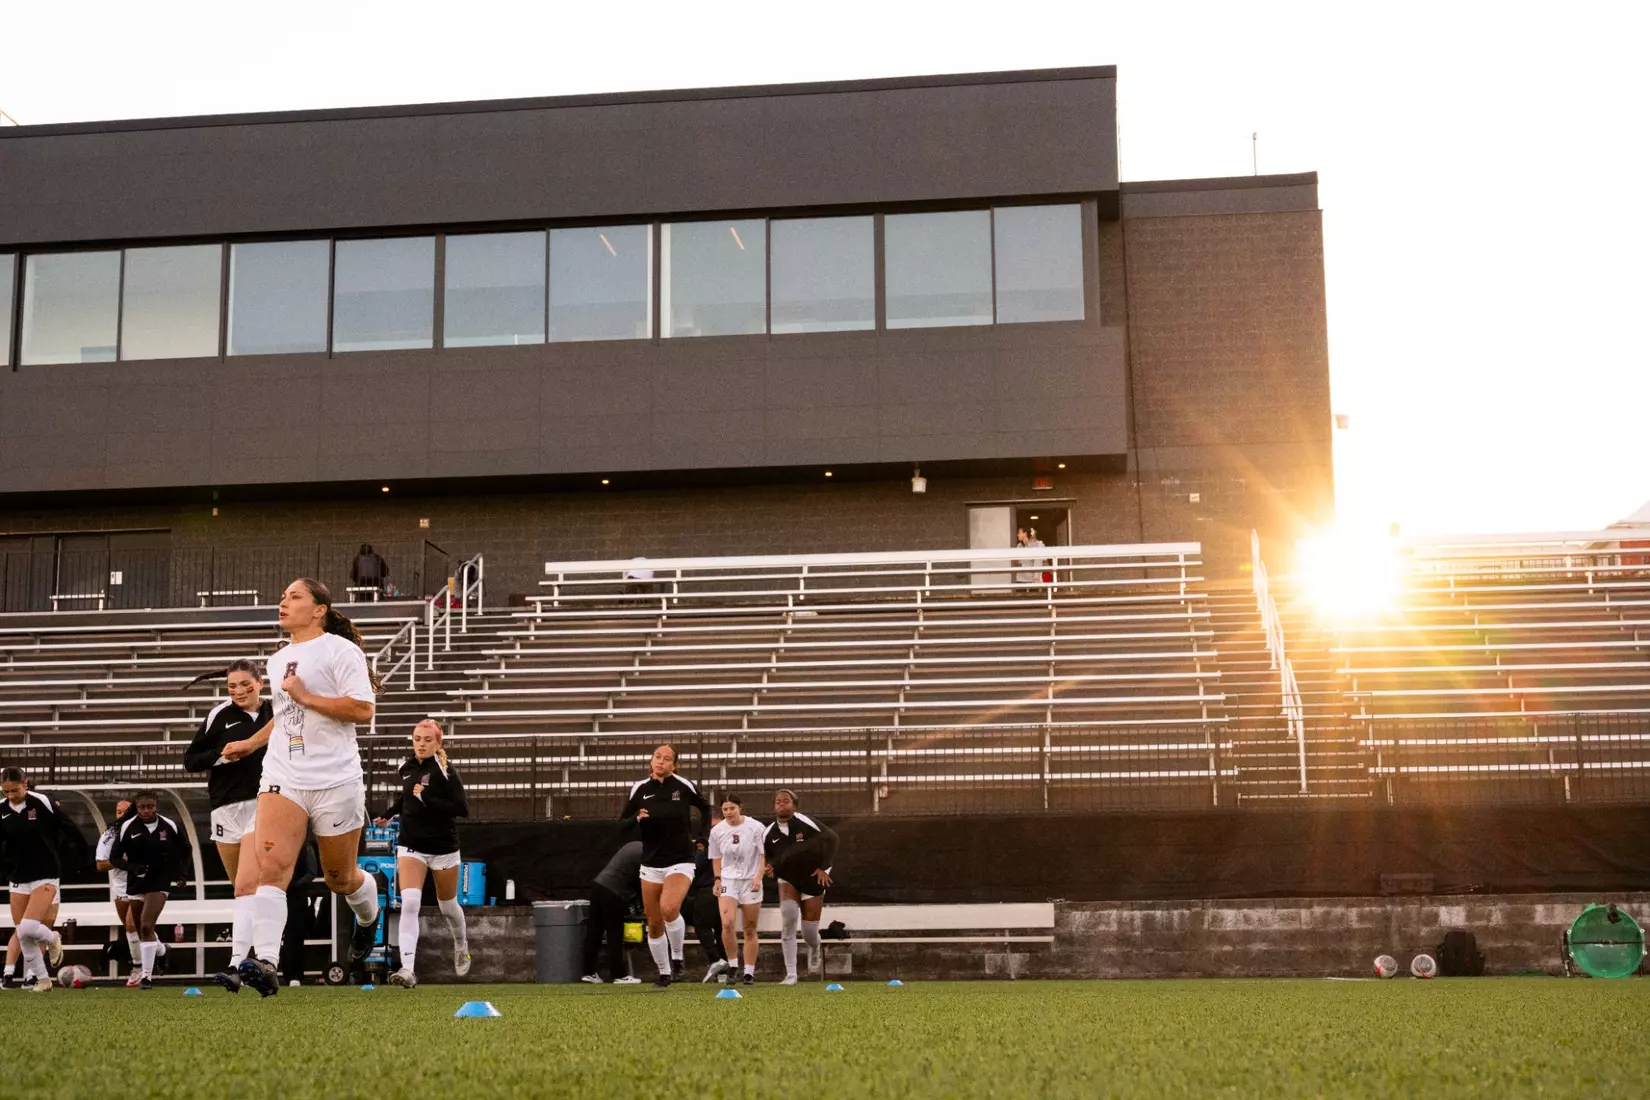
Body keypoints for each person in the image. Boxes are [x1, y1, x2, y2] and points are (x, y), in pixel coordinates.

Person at [217, 577, 384, 998]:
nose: (284, 602)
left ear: (319, 610)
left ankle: (368, 918)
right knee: (272, 870)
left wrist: (308, 697)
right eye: (283, 596)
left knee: (340, 879)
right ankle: (266, 962)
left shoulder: (341, 650)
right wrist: (253, 743)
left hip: (336, 778)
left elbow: (363, 709)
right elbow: (285, 713)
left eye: (294, 596)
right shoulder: (278, 659)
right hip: (283, 775)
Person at [182, 659, 270, 992]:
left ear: (260, 683)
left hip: (263, 804)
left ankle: (238, 964)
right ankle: (261, 957)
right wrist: (222, 754)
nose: (239, 691)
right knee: (244, 890)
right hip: (225, 809)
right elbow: (191, 760)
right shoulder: (219, 715)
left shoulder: (276, 713)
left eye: (246, 684)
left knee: (247, 886)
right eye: (232, 686)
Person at [373, 719, 472, 989]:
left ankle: (461, 943)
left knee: (448, 907)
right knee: (410, 903)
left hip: (443, 848)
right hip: (411, 845)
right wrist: (388, 814)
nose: (421, 744)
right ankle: (408, 969)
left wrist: (426, 798)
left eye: (428, 740)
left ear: (438, 743)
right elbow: (407, 797)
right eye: (417, 739)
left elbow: (462, 809)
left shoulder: (446, 770)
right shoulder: (407, 767)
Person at [618, 745, 711, 987]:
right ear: (651, 761)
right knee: (654, 922)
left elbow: (705, 807)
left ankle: (677, 957)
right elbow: (621, 825)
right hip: (650, 863)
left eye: (666, 758)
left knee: (669, 908)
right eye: (657, 757)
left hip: (680, 859)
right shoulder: (639, 789)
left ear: (674, 765)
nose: (660, 761)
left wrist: (703, 836)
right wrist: (637, 817)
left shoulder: (684, 786)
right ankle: (664, 973)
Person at [109, 791, 193, 990]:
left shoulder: (169, 826)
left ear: (157, 806)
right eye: (142, 807)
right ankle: (162, 951)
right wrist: (132, 867)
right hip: (136, 882)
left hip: (160, 880)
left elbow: (186, 849)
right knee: (140, 929)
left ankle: (146, 977)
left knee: (147, 925)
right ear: (136, 808)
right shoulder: (128, 827)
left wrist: (182, 874)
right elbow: (114, 858)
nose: (146, 811)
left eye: (150, 807)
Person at [0, 768, 70, 992]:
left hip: (45, 873)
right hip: (18, 876)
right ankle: (42, 980)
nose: (10, 795)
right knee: (22, 932)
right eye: (5, 792)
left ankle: (53, 937)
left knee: (31, 926)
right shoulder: (2, 809)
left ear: (25, 784)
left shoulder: (42, 803)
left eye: (14, 790)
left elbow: (66, 829)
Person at [764, 789, 838, 986]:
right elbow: (767, 857)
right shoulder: (769, 832)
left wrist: (824, 868)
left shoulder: (806, 823)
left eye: (786, 801)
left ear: (794, 805)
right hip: (788, 879)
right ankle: (791, 974)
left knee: (809, 932)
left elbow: (832, 838)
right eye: (778, 802)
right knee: (788, 917)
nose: (781, 804)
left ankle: (814, 948)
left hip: (812, 879)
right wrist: (769, 867)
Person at [709, 794, 766, 985]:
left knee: (750, 927)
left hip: (750, 880)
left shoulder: (756, 827)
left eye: (732, 808)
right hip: (728, 880)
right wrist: (717, 879)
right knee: (727, 923)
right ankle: (733, 966)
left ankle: (749, 972)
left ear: (740, 807)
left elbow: (763, 855)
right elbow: (716, 857)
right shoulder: (717, 831)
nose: (728, 812)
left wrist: (758, 877)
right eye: (725, 809)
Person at [93, 798, 148, 987]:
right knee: (135, 929)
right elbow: (100, 865)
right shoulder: (109, 835)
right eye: (119, 812)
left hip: (142, 884)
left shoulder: (145, 830)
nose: (122, 815)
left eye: (126, 811)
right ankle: (162, 951)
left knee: (132, 926)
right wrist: (120, 860)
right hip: (120, 887)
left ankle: (138, 969)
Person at [581, 838, 643, 984]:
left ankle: (588, 972)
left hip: (598, 886)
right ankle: (619, 974)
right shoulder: (645, 853)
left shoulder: (632, 845)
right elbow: (643, 882)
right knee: (615, 933)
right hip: (613, 892)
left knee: (594, 931)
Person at [686, 824, 726, 982]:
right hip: (724, 890)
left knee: (702, 925)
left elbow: (696, 866)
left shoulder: (706, 847)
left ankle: (716, 959)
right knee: (720, 929)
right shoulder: (725, 844)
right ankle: (724, 972)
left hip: (708, 889)